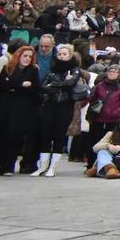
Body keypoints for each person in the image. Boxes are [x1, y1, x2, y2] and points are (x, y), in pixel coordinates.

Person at [33, 43, 81, 177]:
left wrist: (55, 85)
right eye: (60, 54)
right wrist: (59, 85)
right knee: (45, 134)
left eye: (64, 54)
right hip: (50, 103)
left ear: (70, 55)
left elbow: (71, 83)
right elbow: (43, 87)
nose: (61, 56)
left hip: (65, 105)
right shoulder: (53, 68)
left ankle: (52, 167)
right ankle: (43, 166)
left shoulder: (74, 69)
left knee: (59, 135)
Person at [0, 46, 40, 175]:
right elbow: (2, 85)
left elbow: (34, 89)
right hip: (4, 109)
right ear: (19, 55)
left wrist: (14, 86)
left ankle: (8, 167)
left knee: (14, 138)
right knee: (0, 137)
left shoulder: (33, 70)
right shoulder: (8, 68)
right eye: (25, 56)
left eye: (29, 56)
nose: (27, 59)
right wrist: (21, 85)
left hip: (22, 111)